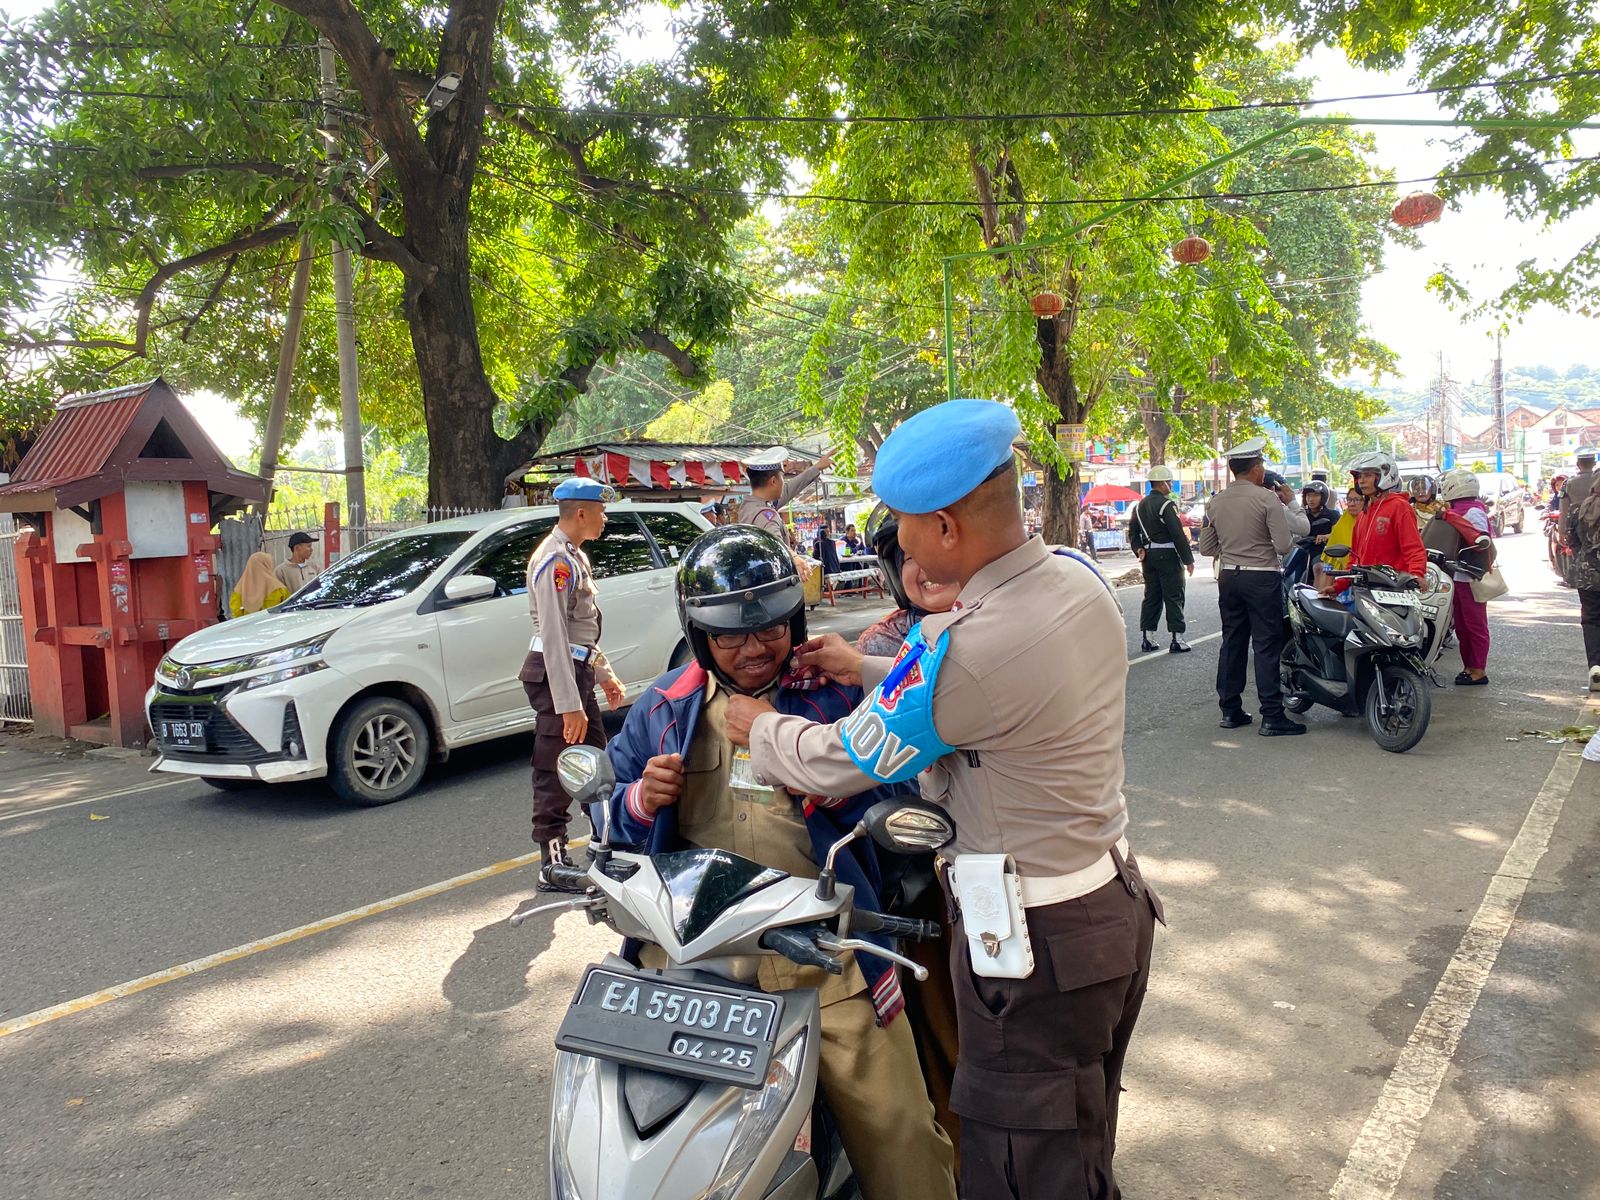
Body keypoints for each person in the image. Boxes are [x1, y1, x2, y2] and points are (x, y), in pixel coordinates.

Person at [723, 399, 1162, 1200]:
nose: (896, 541)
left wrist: (757, 726)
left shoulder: (972, 647)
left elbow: (841, 759)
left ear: (947, 530)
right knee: (1077, 1140)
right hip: (1108, 904)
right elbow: (973, 708)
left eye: (904, 524)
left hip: (1038, 946)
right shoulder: (1072, 576)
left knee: (1018, 1171)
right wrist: (861, 666)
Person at [604, 524, 957, 1200]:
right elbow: (607, 825)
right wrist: (640, 802)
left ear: (793, 620)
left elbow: (907, 793)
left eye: (768, 628)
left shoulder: (835, 695)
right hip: (692, 966)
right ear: (699, 633)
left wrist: (826, 790)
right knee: (641, 1148)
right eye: (730, 636)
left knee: (904, 1137)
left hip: (826, 961)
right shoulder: (662, 709)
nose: (753, 648)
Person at [850, 503, 962, 1159]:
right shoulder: (881, 645)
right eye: (905, 557)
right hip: (916, 878)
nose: (922, 569)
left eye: (932, 552)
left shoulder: (987, 626)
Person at [518, 477, 627, 891]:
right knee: (555, 765)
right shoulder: (554, 562)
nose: (604, 519)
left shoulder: (573, 556)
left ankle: (607, 844)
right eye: (601, 512)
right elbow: (554, 636)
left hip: (573, 671)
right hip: (554, 676)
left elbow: (582, 633)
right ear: (581, 513)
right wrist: (568, 703)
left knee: (596, 762)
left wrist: (603, 673)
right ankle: (552, 859)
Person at [1198, 438, 1306, 736]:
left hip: (1229, 577)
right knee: (1266, 645)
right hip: (1261, 577)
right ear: (1257, 469)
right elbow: (1284, 544)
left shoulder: (1215, 501)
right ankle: (1272, 715)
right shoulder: (1266, 499)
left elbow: (1207, 548)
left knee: (1233, 642)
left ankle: (1230, 710)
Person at [1434, 470, 1496, 686]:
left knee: (1475, 625)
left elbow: (1480, 541)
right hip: (1456, 576)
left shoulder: (1472, 512)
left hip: (1469, 576)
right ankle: (1468, 667)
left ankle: (1478, 669)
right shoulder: (1458, 510)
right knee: (1461, 625)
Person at [1127, 465, 1196, 653]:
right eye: (1169, 482)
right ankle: (1177, 638)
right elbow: (1177, 534)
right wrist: (1188, 559)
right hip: (1168, 556)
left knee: (1152, 596)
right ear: (1163, 483)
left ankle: (1148, 638)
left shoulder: (1139, 506)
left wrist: (1138, 549)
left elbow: (1132, 532)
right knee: (1174, 595)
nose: (1171, 485)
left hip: (1148, 557)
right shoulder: (1167, 505)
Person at [1332, 451, 1426, 588]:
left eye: (1368, 475)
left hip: (1393, 588)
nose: (1361, 481)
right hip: (1366, 588)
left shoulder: (1399, 507)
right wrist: (1339, 586)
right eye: (1359, 476)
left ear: (1385, 476)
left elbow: (1413, 548)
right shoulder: (1363, 513)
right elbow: (1355, 556)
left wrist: (1417, 574)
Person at [1563, 449, 1600, 689]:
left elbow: (1571, 540)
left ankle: (1596, 668)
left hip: (1588, 575)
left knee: (1592, 620)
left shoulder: (1579, 509)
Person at [735, 446, 834, 532]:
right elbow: (776, 553)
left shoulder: (749, 506)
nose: (783, 482)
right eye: (782, 477)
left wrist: (817, 467)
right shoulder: (766, 517)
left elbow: (789, 489)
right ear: (773, 481)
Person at [229, 551, 288, 616]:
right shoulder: (279, 588)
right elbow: (287, 608)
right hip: (274, 624)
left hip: (249, 625)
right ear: (267, 565)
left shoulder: (240, 589)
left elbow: (236, 612)